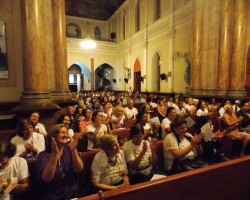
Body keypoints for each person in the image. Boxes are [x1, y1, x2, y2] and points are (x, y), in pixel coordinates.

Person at [36, 124, 83, 200]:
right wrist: (55, 154)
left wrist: (74, 150)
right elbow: (46, 179)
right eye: (62, 133)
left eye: (66, 133)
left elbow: (79, 169)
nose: (65, 135)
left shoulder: (69, 149)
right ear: (53, 136)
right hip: (53, 197)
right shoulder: (43, 156)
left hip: (73, 195)